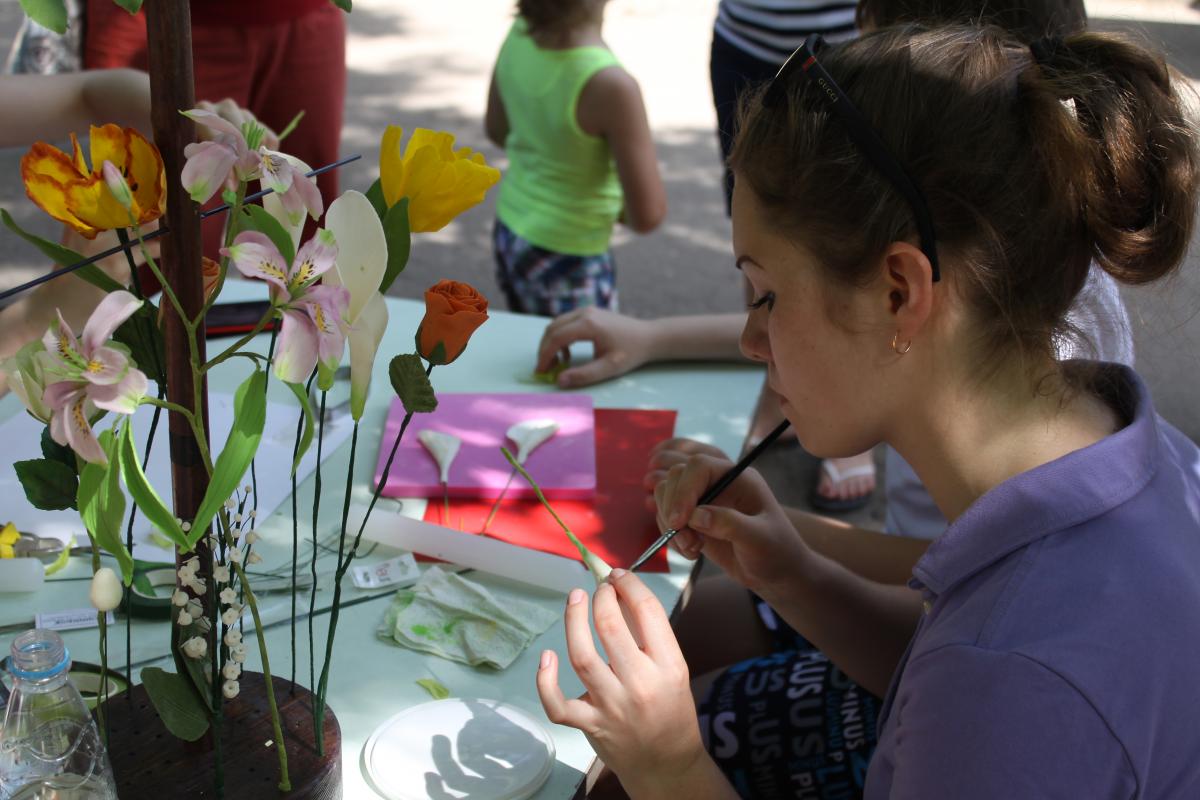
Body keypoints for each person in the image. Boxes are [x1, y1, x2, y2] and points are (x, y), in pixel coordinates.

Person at [535, 23, 1200, 800]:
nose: (752, 339)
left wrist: (670, 767)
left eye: (766, 295)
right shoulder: (1130, 454)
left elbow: (984, 687)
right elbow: (936, 662)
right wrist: (795, 574)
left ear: (899, 294)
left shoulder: (1013, 686)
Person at [711, 0, 875, 512]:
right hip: (746, 39)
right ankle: (787, 391)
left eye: (769, 300)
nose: (749, 343)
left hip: (846, 47)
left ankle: (856, 423)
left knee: (836, 234)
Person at [484, 0, 666, 316]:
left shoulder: (519, 33)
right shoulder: (611, 85)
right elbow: (647, 214)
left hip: (512, 232)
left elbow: (498, 130)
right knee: (577, 361)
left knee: (530, 345)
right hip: (570, 259)